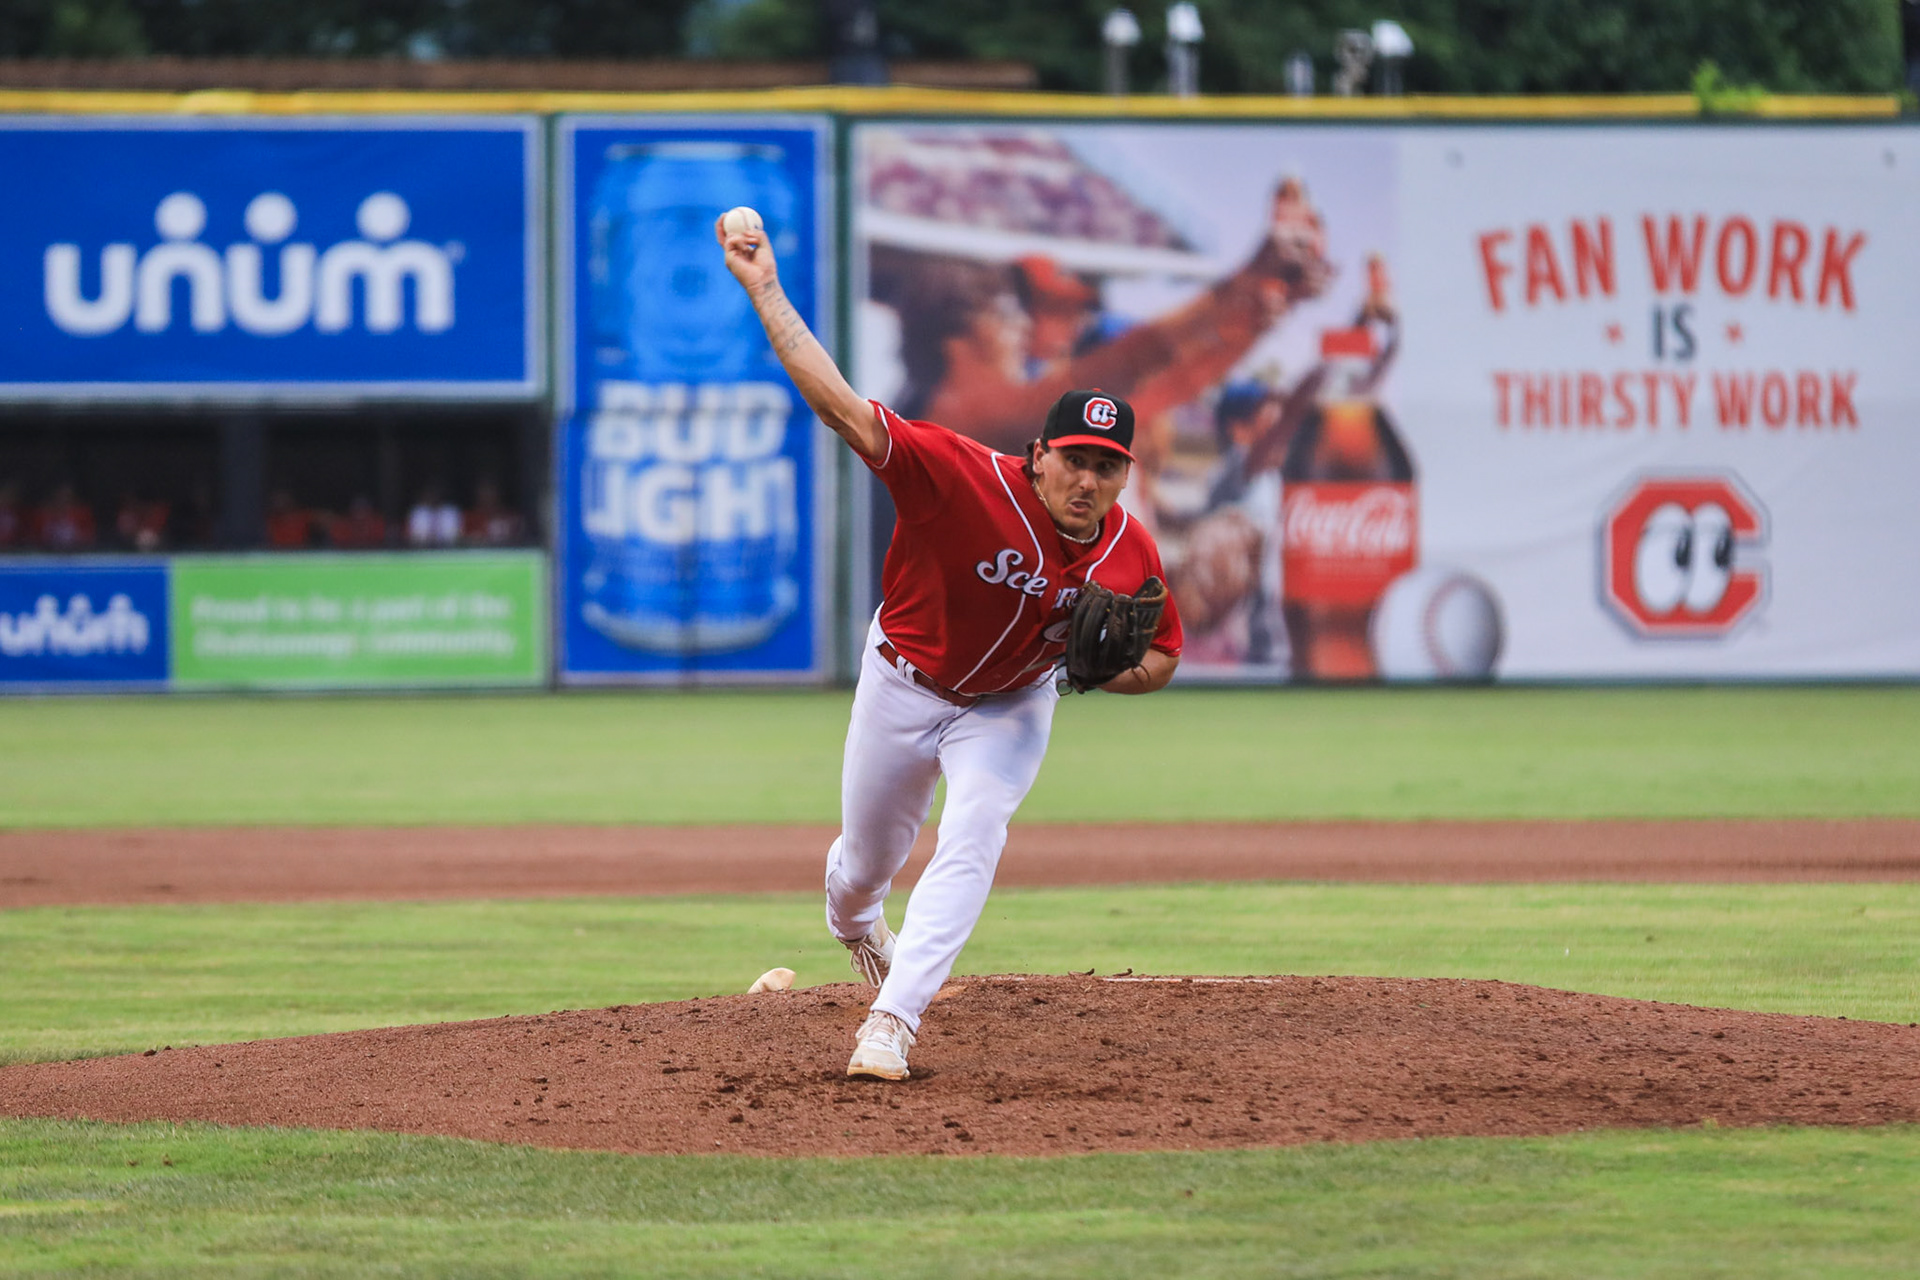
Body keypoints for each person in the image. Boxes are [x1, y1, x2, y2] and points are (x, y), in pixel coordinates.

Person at [719, 212, 1185, 1082]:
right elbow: (841, 409)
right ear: (1039, 454)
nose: (1089, 480)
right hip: (903, 678)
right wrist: (766, 291)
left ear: (1125, 472)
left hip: (1011, 701)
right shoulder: (961, 474)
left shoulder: (1131, 549)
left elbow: (1162, 660)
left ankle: (892, 1022)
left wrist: (1103, 670)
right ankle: (860, 927)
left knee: (976, 827)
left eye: (1108, 466)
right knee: (861, 877)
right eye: (1075, 458)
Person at [405, 483, 461, 547]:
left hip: (448, 549)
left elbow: (455, 537)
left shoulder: (450, 511)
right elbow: (414, 537)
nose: (433, 496)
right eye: (430, 493)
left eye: (436, 493)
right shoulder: (418, 512)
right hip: (421, 549)